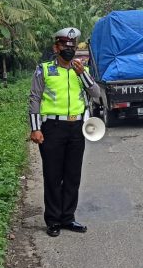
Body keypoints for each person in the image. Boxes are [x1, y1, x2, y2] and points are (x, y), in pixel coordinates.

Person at [29, 27, 101, 237]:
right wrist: (35, 128)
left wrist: (82, 75)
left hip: (76, 128)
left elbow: (96, 94)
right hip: (52, 128)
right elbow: (34, 98)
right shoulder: (44, 69)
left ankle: (68, 217)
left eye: (72, 47)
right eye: (64, 46)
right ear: (56, 48)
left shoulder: (81, 71)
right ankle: (53, 220)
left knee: (72, 175)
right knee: (53, 175)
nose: (68, 50)